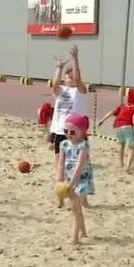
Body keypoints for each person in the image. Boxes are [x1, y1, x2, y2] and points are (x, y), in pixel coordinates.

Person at [50, 45, 88, 208]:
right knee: (59, 164)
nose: (70, 78)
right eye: (68, 76)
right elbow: (54, 84)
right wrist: (59, 67)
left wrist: (75, 59)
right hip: (60, 131)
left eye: (71, 75)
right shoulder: (61, 90)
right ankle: (60, 195)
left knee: (82, 165)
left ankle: (83, 198)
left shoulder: (79, 90)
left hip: (77, 132)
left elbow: (79, 80)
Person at [56, 113, 94, 245]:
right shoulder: (63, 144)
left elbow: (79, 166)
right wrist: (59, 178)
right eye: (66, 131)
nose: (68, 134)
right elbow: (61, 163)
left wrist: (72, 183)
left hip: (81, 179)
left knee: (75, 208)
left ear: (82, 132)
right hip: (68, 179)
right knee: (76, 208)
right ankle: (83, 231)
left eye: (72, 131)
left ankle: (75, 238)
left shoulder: (83, 146)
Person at [98, 89, 134, 174]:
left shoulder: (122, 106)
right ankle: (128, 167)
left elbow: (112, 112)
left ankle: (121, 164)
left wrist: (102, 120)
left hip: (117, 126)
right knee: (131, 147)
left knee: (121, 144)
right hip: (127, 126)